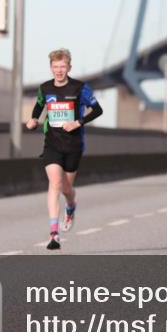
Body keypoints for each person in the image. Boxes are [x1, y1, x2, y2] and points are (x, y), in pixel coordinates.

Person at [26, 48, 103, 250]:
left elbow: (97, 110)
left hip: (74, 144)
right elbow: (39, 105)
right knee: (55, 183)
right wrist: (34, 119)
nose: (59, 71)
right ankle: (54, 234)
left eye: (62, 67)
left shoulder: (80, 88)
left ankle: (70, 206)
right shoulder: (45, 88)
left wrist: (78, 122)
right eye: (55, 67)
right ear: (51, 68)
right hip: (52, 143)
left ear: (69, 67)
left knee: (67, 189)